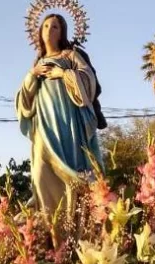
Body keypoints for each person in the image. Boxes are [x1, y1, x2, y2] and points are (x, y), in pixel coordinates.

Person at [15, 13, 102, 232]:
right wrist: (31, 75)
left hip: (68, 123)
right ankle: (51, 230)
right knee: (40, 173)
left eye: (55, 27)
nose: (49, 30)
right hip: (44, 125)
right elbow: (24, 100)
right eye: (45, 26)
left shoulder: (70, 55)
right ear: (39, 32)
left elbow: (88, 79)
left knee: (73, 174)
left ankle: (75, 229)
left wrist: (64, 74)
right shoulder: (37, 63)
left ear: (62, 32)